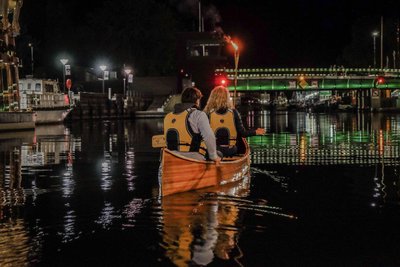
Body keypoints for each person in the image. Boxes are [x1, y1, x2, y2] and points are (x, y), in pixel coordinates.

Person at [203, 86, 266, 157]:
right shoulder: (234, 112)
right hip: (230, 150)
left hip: (212, 150)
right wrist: (256, 131)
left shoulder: (207, 113)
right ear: (227, 98)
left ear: (212, 98)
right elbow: (243, 133)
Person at [163, 87, 221, 163]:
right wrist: (214, 156)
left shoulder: (168, 116)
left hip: (171, 157)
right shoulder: (198, 114)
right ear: (197, 100)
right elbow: (209, 137)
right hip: (192, 157)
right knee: (219, 154)